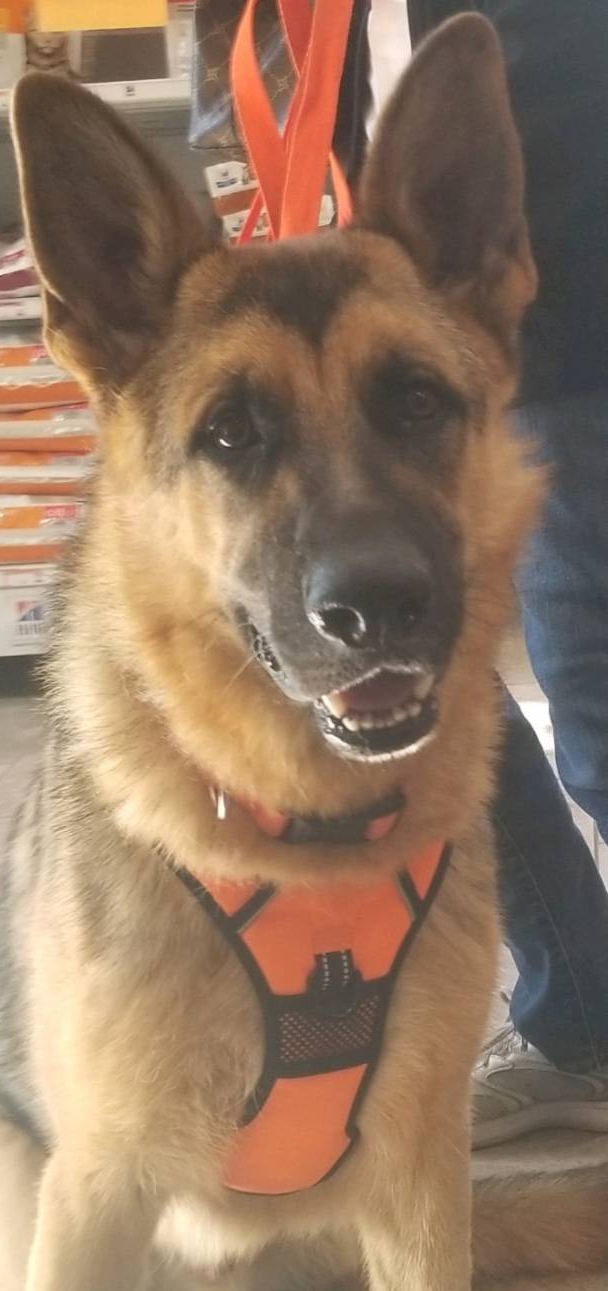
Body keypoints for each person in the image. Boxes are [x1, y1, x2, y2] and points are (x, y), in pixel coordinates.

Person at [405, 0, 608, 1145]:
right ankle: (579, 1018)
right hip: (370, 333)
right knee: (417, 687)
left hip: (576, 303)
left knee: (596, 695)